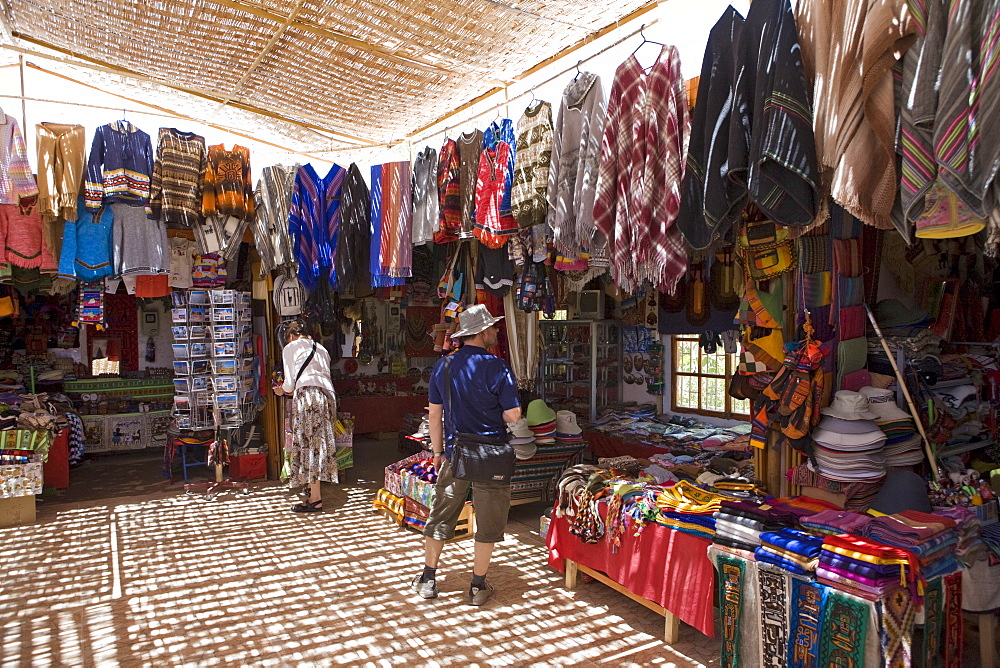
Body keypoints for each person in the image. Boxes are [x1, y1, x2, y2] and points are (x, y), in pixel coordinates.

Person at [411, 304, 522, 606]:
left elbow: (435, 417)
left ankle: (428, 579)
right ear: (483, 332)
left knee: (441, 517)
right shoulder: (498, 367)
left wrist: (436, 452)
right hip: (492, 456)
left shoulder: (444, 366)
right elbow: (513, 416)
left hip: (455, 455)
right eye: (493, 328)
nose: (497, 332)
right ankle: (476, 587)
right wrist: (491, 413)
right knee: (488, 524)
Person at [273, 319, 338, 513]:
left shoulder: (290, 348)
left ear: (290, 336)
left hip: (307, 399)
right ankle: (312, 491)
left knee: (308, 445)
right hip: (326, 398)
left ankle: (315, 499)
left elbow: (289, 384)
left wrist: (279, 390)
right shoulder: (322, 349)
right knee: (318, 445)